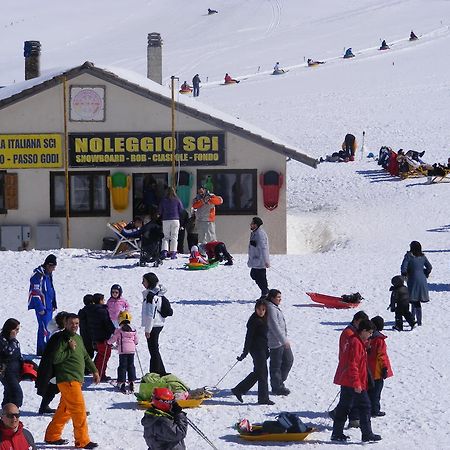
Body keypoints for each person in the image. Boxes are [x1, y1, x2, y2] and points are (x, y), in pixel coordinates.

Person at [44, 313, 99, 449]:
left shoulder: (78, 338)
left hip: (76, 380)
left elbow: (85, 356)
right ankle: (82, 441)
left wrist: (95, 370)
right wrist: (70, 349)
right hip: (67, 379)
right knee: (79, 410)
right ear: (65, 323)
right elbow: (56, 358)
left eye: (76, 323)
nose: (74, 326)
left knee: (65, 410)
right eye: (71, 323)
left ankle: (52, 435)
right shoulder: (62, 339)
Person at [331, 319, 381, 442]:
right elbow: (352, 365)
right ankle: (367, 434)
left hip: (348, 381)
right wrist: (357, 383)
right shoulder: (355, 343)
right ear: (363, 331)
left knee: (344, 406)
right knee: (365, 406)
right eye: (369, 332)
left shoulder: (356, 341)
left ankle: (337, 433)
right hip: (353, 381)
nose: (370, 335)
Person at [329, 310, 369, 427]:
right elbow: (348, 353)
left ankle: (353, 419)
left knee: (352, 396)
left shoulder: (355, 332)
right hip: (349, 368)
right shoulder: (349, 333)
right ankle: (343, 416)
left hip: (353, 367)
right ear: (356, 321)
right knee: (351, 396)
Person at [232, 300, 274, 405]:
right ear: (255, 309)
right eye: (259, 309)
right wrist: (244, 353)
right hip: (256, 350)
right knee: (263, 373)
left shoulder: (264, 319)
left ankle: (238, 389)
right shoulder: (254, 321)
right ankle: (263, 398)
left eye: (263, 309)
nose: (261, 311)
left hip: (263, 350)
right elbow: (248, 338)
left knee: (258, 373)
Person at [36, 311, 68, 415]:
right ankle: (72, 408)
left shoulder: (59, 333)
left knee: (54, 388)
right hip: (57, 366)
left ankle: (44, 407)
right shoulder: (59, 335)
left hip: (55, 367)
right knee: (64, 387)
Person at [28, 254, 58, 356]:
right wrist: (40, 307)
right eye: (53, 267)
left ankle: (42, 350)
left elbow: (51, 289)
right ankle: (45, 350)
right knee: (46, 328)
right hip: (42, 307)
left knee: (45, 328)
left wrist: (54, 302)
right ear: (48, 265)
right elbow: (35, 293)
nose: (53, 269)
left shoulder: (48, 275)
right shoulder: (38, 275)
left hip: (49, 306)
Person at [265, 289, 293, 396]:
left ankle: (279, 382)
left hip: (281, 341)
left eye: (280, 297)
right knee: (276, 365)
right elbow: (274, 326)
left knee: (288, 360)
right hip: (276, 342)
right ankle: (277, 387)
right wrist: (284, 340)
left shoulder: (274, 307)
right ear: (272, 298)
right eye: (278, 297)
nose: (280, 299)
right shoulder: (271, 308)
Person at [141, 273, 170, 375]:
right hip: (158, 323)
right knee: (154, 349)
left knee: (153, 350)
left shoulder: (151, 296)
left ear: (149, 282)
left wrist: (147, 330)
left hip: (154, 325)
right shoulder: (158, 293)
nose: (142, 283)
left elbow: (150, 314)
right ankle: (158, 371)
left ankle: (157, 372)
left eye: (144, 281)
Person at [401, 241, 432, 326]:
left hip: (413, 280)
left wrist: (405, 275)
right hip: (422, 280)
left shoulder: (409, 256)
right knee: (416, 299)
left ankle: (415, 320)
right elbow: (429, 267)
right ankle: (416, 319)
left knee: (414, 300)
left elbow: (403, 268)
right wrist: (425, 273)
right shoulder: (423, 257)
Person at [367, 316, 393, 418]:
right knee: (376, 392)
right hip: (377, 371)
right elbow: (381, 355)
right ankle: (375, 410)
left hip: (368, 369)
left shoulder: (368, 338)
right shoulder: (379, 340)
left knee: (369, 391)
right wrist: (384, 368)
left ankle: (368, 409)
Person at [107, 311, 138, 394]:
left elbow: (113, 339)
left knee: (122, 366)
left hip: (123, 351)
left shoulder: (119, 331)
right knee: (131, 365)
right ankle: (132, 381)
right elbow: (136, 340)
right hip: (131, 350)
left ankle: (122, 382)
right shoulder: (133, 330)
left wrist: (108, 342)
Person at [90, 295, 115, 382]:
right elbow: (107, 323)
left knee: (101, 355)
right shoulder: (102, 311)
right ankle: (101, 374)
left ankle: (97, 373)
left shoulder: (92, 310)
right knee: (104, 356)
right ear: (100, 300)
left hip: (96, 336)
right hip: (103, 337)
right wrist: (113, 331)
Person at [0, 319, 23, 408]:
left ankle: (5, 414)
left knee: (9, 393)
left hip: (15, 371)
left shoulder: (12, 339)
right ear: (10, 329)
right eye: (16, 329)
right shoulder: (2, 339)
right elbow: (8, 352)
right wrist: (13, 340)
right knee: (16, 394)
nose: (18, 332)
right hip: (6, 372)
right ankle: (12, 414)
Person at [247, 217, 270, 299]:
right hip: (256, 260)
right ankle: (265, 291)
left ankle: (265, 293)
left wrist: (266, 261)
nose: (250, 224)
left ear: (256, 225)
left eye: (252, 223)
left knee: (261, 277)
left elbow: (264, 248)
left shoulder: (260, 234)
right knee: (254, 274)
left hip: (261, 260)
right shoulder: (254, 233)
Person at [159, 187, 184, 260]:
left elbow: (160, 211)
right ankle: (173, 253)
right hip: (175, 219)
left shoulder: (163, 200)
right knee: (174, 237)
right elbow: (181, 210)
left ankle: (164, 251)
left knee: (165, 237)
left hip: (166, 220)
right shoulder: (177, 200)